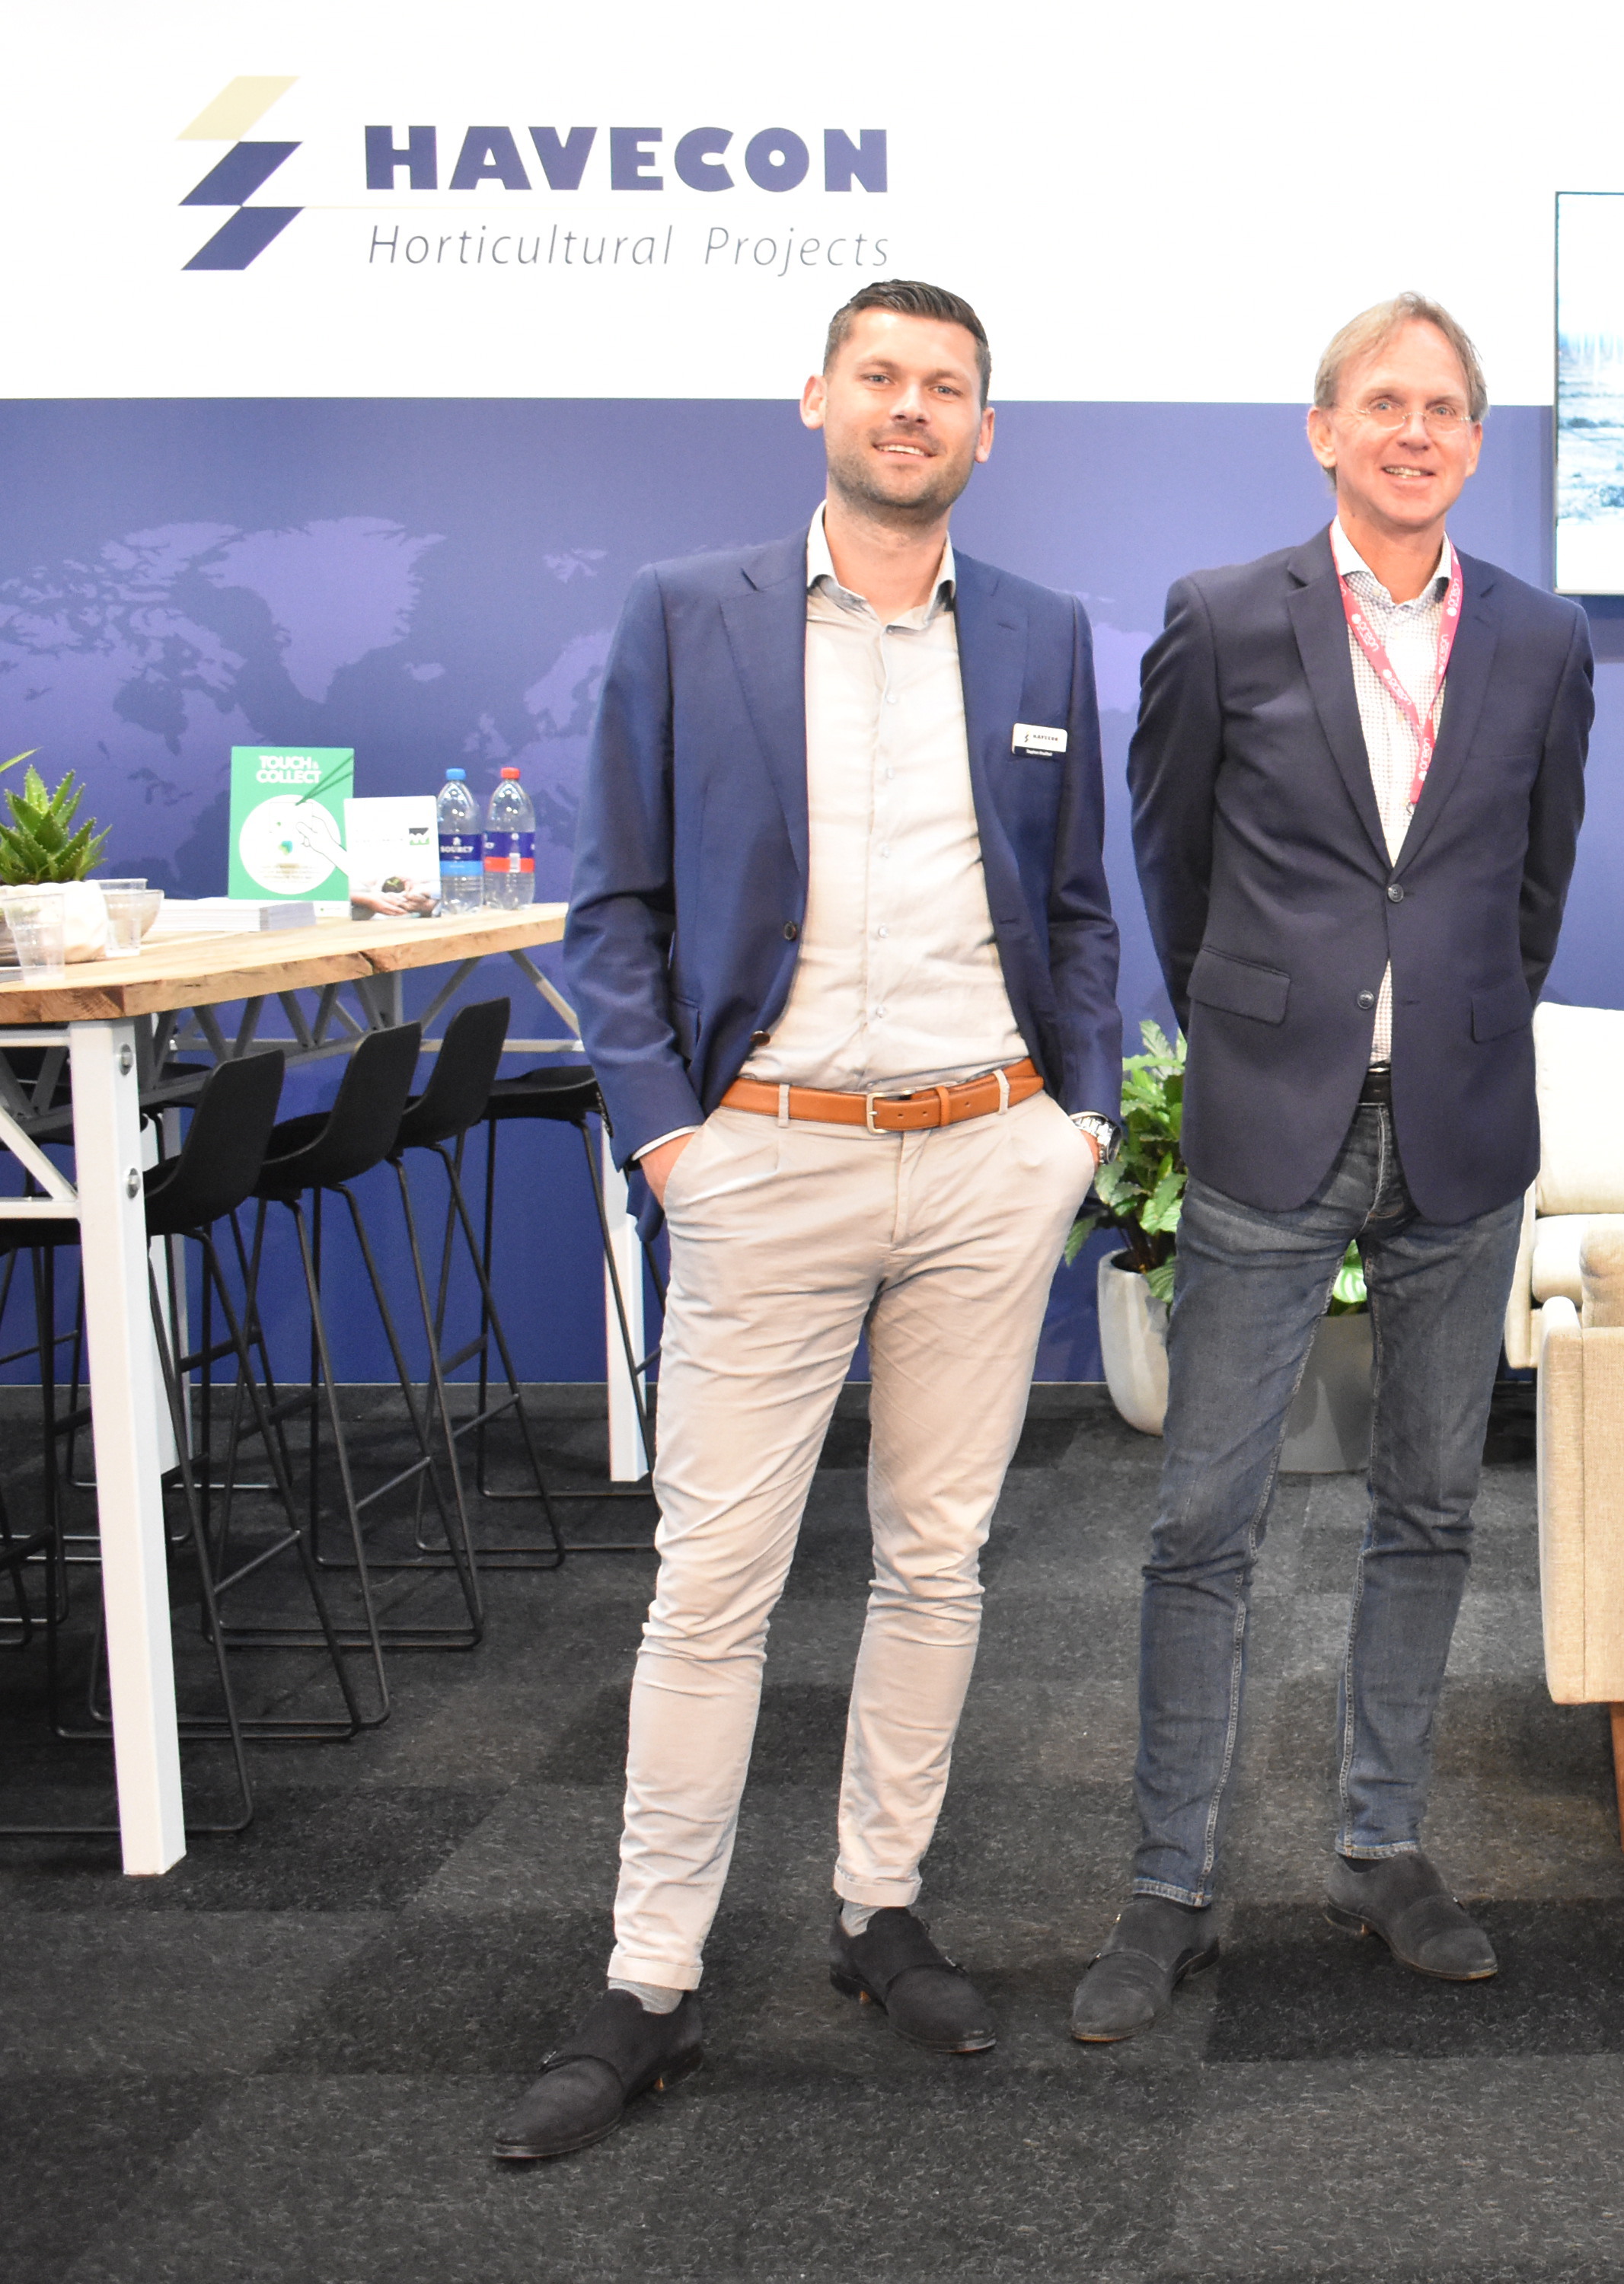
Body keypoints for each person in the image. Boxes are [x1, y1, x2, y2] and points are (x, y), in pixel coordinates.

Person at [506, 279, 1122, 2158]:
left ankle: (878, 1908)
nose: (909, 406)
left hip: (984, 1156)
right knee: (714, 1586)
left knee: (938, 1562)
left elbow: (1077, 904)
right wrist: (671, 1145)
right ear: (817, 400)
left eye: (946, 386)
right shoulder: (687, 613)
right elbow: (612, 907)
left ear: (986, 430)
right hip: (764, 1159)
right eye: (880, 376)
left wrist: (1080, 1124)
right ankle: (650, 1979)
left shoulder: (1037, 630)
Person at [1087, 293, 1594, 2038]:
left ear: (1474, 442)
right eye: (1384, 402)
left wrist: (1452, 1016)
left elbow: (1535, 883)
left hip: (1461, 1122)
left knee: (1432, 1507)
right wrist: (1257, 1017)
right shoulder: (1223, 617)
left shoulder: (1541, 639)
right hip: (1271, 1114)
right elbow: (1172, 859)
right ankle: (1169, 1883)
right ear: (1324, 430)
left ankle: (1380, 1846)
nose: (1413, 431)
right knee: (1203, 1522)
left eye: (1443, 408)